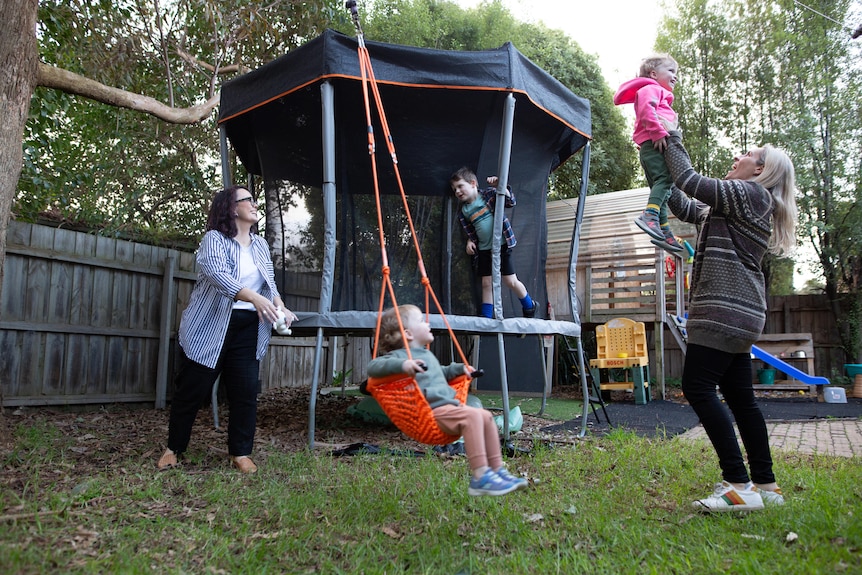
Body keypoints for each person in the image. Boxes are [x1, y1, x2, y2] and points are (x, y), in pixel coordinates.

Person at [662, 121, 798, 511]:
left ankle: (738, 483)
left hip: (724, 309)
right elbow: (688, 205)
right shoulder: (742, 203)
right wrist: (658, 167)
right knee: (741, 399)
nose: (737, 158)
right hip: (741, 312)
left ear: (760, 170)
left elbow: (689, 178)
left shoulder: (752, 195)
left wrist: (671, 135)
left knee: (698, 388)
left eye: (747, 155)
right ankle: (767, 487)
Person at [156, 185, 298, 474]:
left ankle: (241, 452)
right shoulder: (214, 240)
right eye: (249, 200)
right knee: (191, 391)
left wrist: (280, 305)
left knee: (245, 391)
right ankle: (174, 448)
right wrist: (256, 298)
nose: (255, 204)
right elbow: (217, 275)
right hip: (210, 327)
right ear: (233, 208)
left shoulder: (259, 245)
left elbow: (268, 281)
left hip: (248, 328)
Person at [366, 304, 528, 496]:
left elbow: (440, 373)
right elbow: (374, 367)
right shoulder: (400, 357)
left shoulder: (426, 355)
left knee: (485, 416)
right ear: (408, 334)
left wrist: (460, 369)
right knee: (473, 418)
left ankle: (497, 470)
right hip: (431, 414)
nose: (427, 323)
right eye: (420, 321)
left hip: (450, 408)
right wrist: (403, 364)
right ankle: (480, 476)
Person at [614, 54, 685, 254]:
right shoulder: (651, 88)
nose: (675, 76)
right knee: (666, 178)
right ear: (653, 74)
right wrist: (657, 133)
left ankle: (662, 229)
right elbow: (647, 111)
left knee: (663, 188)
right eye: (671, 71)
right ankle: (650, 215)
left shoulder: (656, 91)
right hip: (655, 144)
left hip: (651, 145)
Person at [450, 167, 536, 318]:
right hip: (484, 250)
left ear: (473, 183)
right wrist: (470, 241)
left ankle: (529, 305)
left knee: (510, 281)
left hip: (502, 245)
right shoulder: (463, 212)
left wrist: (500, 185)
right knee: (486, 284)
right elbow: (472, 230)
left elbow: (511, 201)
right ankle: (487, 317)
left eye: (460, 186)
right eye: (454, 189)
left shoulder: (488, 195)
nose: (457, 191)